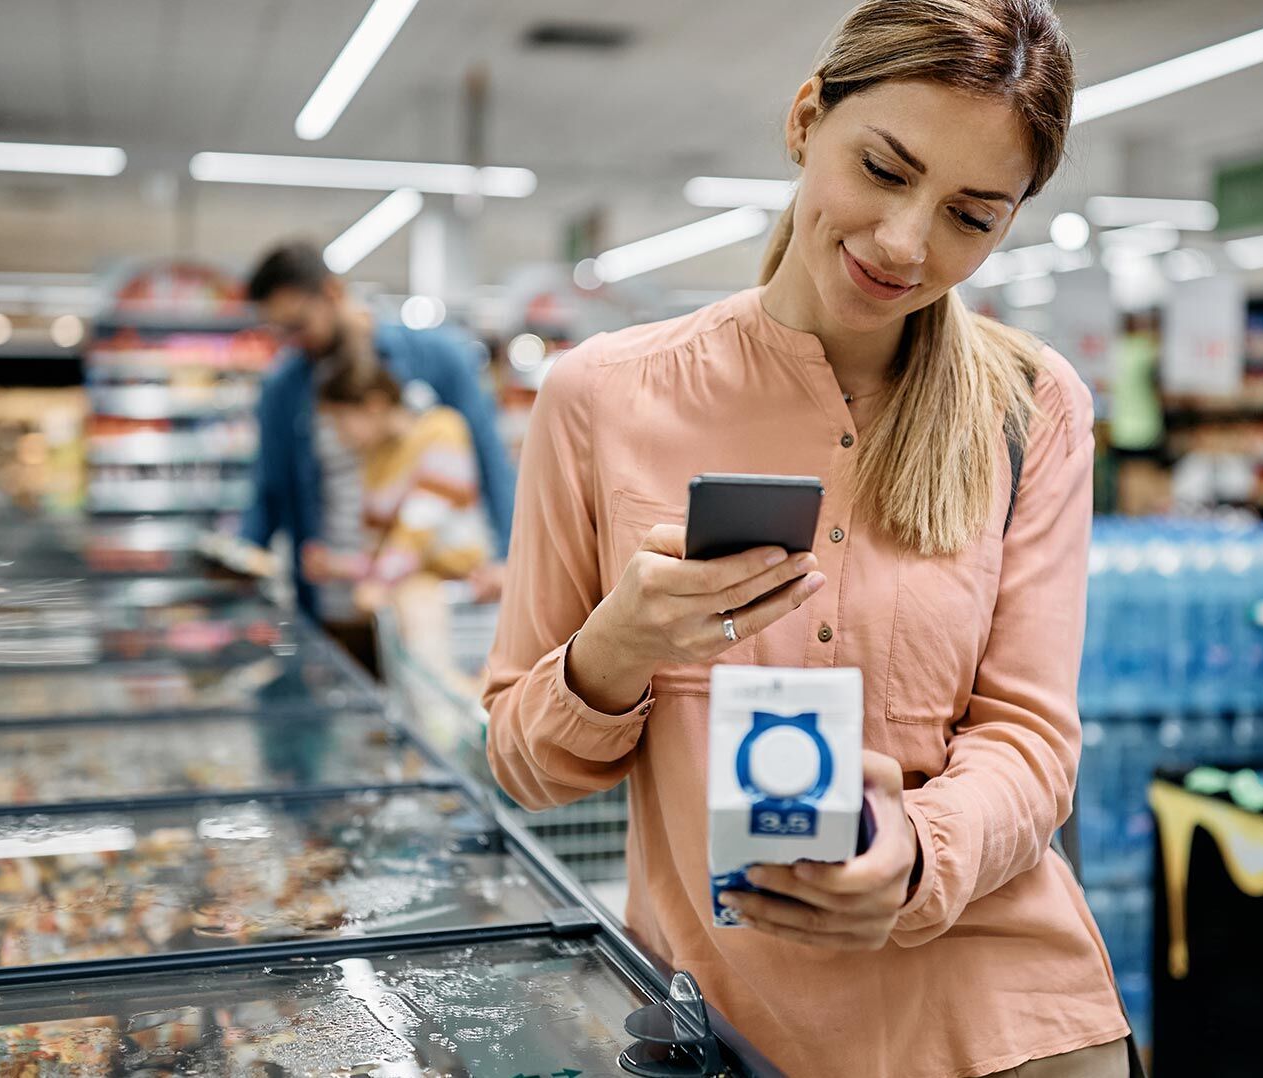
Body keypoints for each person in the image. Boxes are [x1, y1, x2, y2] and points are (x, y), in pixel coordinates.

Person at [483, 3, 1133, 1075]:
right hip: (735, 1028)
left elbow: (1032, 739)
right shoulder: (603, 396)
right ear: (804, 121)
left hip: (1010, 1027)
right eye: (883, 169)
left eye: (972, 216)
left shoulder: (1033, 406)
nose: (904, 243)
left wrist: (922, 851)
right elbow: (524, 763)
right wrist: (619, 650)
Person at [240, 242, 514, 635]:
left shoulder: (437, 358)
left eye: (298, 324)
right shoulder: (283, 389)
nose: (291, 340)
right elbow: (270, 489)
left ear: (332, 293)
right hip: (335, 601)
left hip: (422, 595)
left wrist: (508, 559)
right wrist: (243, 557)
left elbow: (491, 464)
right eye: (279, 330)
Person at [304, 355, 491, 612]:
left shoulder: (441, 430)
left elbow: (418, 529)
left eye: (341, 419)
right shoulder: (375, 459)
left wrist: (380, 582)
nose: (339, 433)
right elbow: (383, 549)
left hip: (458, 595)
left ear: (374, 405)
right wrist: (336, 566)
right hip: (407, 597)